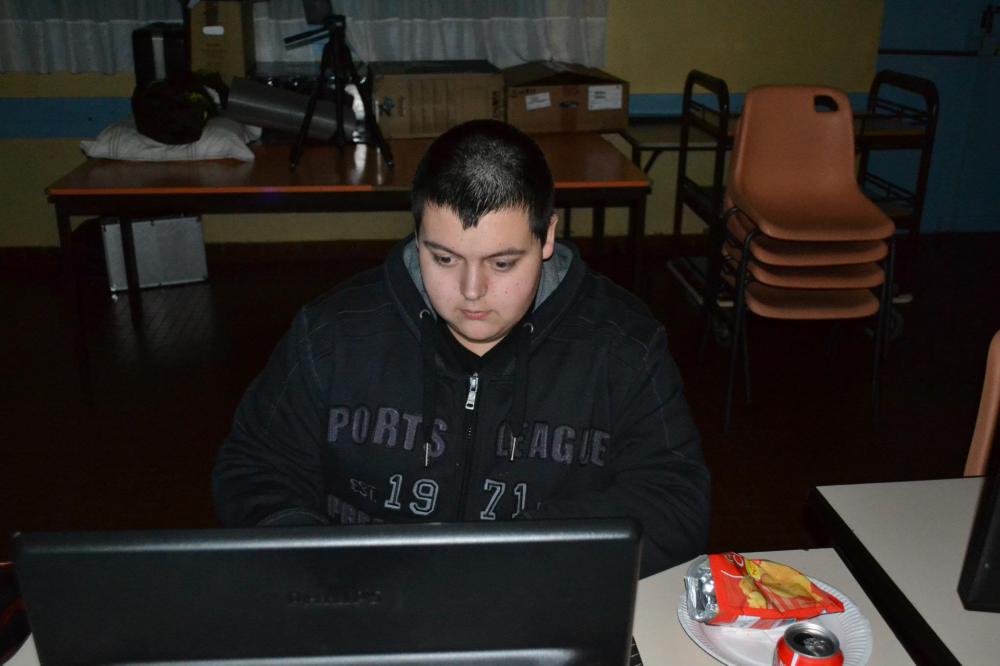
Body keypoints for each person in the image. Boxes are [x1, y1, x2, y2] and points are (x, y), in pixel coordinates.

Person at [212, 119, 710, 576]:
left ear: (547, 237)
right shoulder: (332, 333)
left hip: (537, 601)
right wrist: (317, 559)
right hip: (362, 601)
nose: (472, 291)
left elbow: (677, 501)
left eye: (502, 263)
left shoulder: (624, 346)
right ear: (418, 236)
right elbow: (254, 466)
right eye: (445, 258)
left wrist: (514, 554)